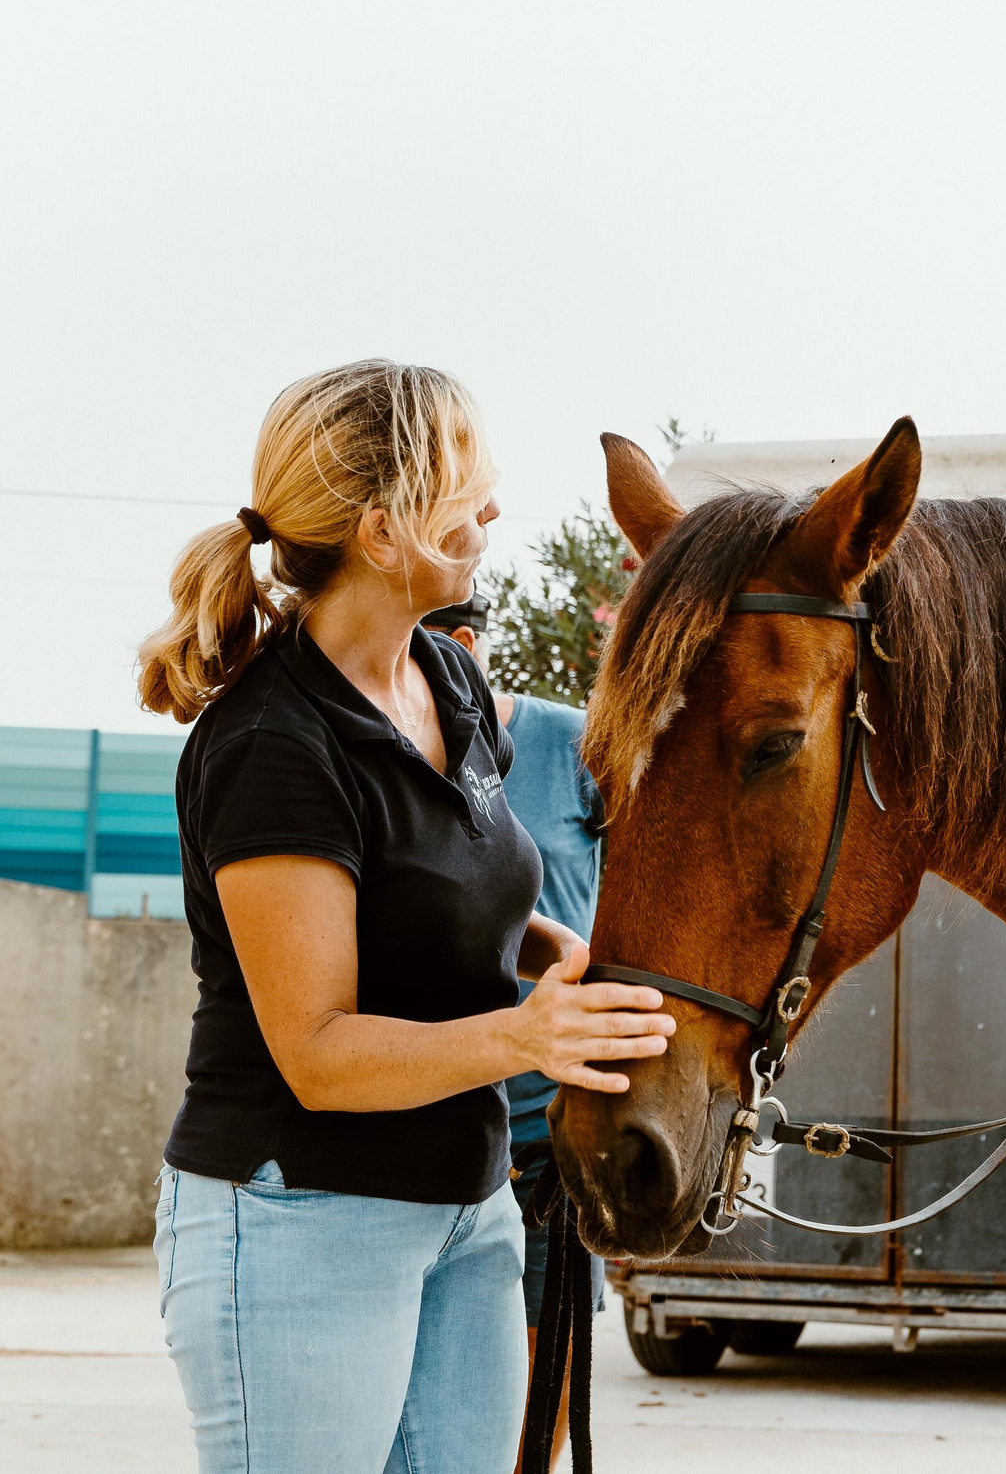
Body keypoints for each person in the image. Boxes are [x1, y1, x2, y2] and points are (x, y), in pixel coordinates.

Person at [137, 359, 675, 1472]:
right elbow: (319, 1053)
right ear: (383, 533)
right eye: (465, 490)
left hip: (464, 1207)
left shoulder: (451, 681)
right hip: (298, 1219)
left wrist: (554, 954)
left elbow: (447, 880)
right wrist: (526, 1037)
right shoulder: (272, 746)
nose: (490, 512)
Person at [417, 594, 606, 1466]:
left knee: (534, 1415)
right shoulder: (398, 753)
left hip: (549, 1130)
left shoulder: (576, 744)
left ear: (459, 648)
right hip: (428, 1111)